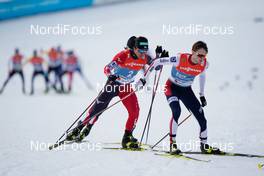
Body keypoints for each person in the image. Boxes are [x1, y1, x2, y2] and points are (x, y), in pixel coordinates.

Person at [66, 36, 154, 149]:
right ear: (134, 48)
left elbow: (154, 64)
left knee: (135, 111)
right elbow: (107, 68)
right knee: (98, 109)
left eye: (145, 51)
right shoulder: (123, 55)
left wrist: (160, 59)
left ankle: (127, 137)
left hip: (126, 87)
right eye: (140, 50)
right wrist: (110, 75)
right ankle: (80, 128)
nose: (143, 53)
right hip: (113, 85)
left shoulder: (144, 57)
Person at [145, 41, 221, 154]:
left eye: (204, 56)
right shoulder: (179, 59)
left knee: (202, 118)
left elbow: (202, 76)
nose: (201, 58)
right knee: (177, 111)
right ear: (193, 52)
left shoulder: (204, 64)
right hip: (171, 87)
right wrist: (144, 79)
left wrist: (202, 95)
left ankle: (204, 145)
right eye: (199, 55)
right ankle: (173, 144)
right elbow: (157, 62)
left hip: (186, 90)